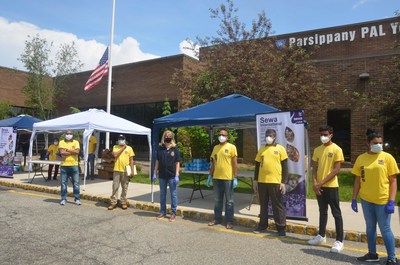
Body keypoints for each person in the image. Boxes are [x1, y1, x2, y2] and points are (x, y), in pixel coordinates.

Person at [351, 129, 399, 264]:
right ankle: (372, 254)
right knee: (370, 227)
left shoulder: (387, 158)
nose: (378, 145)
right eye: (375, 142)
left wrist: (391, 201)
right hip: (366, 200)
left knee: (385, 229)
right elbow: (357, 180)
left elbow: (393, 180)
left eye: (380, 143)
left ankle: (391, 257)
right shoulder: (361, 158)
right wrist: (354, 198)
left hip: (382, 200)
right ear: (368, 143)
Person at [307, 126, 345, 252]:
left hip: (331, 186)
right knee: (322, 211)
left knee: (336, 213)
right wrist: (315, 183)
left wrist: (321, 182)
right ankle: (321, 236)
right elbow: (314, 167)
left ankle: (339, 241)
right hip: (319, 186)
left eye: (325, 134)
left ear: (331, 135)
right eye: (321, 134)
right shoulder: (318, 149)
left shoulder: (337, 149)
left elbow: (336, 169)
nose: (323, 137)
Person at [253, 129, 288, 237]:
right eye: (267, 135)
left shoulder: (280, 149)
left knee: (277, 205)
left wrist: (283, 182)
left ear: (275, 137)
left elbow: (285, 167)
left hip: (275, 182)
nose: (268, 137)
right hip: (262, 181)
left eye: (271, 136)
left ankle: (281, 227)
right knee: (263, 204)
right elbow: (257, 166)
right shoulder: (262, 149)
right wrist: (255, 181)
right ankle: (263, 225)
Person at [207, 129, 238, 229]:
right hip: (216, 178)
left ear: (227, 137)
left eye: (223, 135)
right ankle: (217, 218)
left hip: (228, 178)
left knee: (229, 201)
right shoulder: (215, 148)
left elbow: (234, 163)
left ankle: (229, 221)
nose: (221, 136)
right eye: (220, 135)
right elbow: (213, 163)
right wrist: (209, 176)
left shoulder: (232, 147)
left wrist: (235, 177)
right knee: (217, 200)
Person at [153, 130, 181, 222]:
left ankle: (173, 213)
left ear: (172, 137)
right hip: (162, 175)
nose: (168, 137)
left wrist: (177, 174)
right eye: (166, 135)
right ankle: (163, 211)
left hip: (172, 175)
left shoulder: (175, 148)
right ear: (164, 137)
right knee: (162, 194)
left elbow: (177, 163)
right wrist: (154, 172)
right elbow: (157, 161)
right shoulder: (160, 148)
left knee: (173, 194)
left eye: (169, 136)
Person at [108, 134, 135, 210]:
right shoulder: (115, 147)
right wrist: (123, 148)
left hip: (126, 170)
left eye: (122, 139)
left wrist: (132, 171)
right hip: (117, 169)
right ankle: (113, 202)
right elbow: (115, 155)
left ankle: (123, 202)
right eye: (120, 139)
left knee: (125, 187)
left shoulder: (129, 148)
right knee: (115, 187)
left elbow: (131, 160)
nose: (121, 140)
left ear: (125, 140)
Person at [58, 130, 81, 206]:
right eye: (67, 134)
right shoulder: (61, 142)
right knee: (63, 183)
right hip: (64, 165)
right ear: (65, 134)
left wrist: (67, 150)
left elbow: (77, 152)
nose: (69, 135)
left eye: (70, 134)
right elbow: (61, 152)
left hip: (74, 165)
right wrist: (72, 151)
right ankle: (63, 198)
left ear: (72, 135)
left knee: (76, 183)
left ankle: (77, 199)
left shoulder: (76, 142)